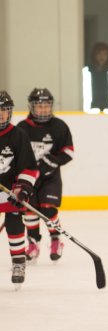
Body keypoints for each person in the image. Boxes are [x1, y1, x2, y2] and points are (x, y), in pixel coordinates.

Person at [17, 88, 74, 263]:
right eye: (39, 106)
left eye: (46, 105)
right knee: (29, 209)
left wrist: (52, 161)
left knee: (48, 209)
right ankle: (33, 243)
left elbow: (68, 153)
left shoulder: (59, 126)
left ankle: (56, 239)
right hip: (29, 178)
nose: (43, 109)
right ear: (32, 107)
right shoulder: (22, 128)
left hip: (50, 177)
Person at [0, 91, 38, 287]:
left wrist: (22, 189)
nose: (0, 114)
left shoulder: (18, 135)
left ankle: (18, 261)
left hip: (10, 191)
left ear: (10, 112)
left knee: (14, 221)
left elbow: (29, 167)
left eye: (3, 110)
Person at [82, 42, 108, 113]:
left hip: (107, 111)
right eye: (99, 54)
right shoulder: (87, 72)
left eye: (105, 54)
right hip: (90, 111)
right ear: (94, 55)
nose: (102, 57)